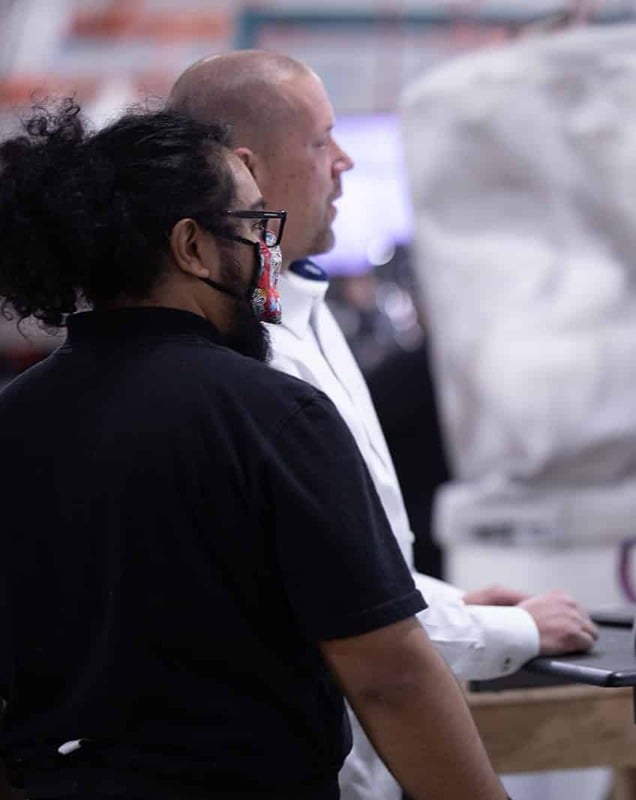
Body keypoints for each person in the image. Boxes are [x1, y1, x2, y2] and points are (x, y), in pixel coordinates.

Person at [0, 102, 507, 800]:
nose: (269, 250)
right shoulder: (272, 415)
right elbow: (389, 676)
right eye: (252, 225)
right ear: (192, 246)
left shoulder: (15, 418)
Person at [168, 51, 599, 799]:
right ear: (249, 170)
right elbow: (341, 618)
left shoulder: (304, 313)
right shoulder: (249, 366)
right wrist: (517, 633)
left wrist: (456, 606)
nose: (345, 161)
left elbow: (351, 564)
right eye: (320, 141)